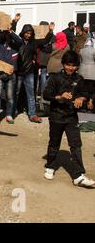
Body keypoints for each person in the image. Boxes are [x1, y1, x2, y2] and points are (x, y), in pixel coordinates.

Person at [42, 51, 94, 188]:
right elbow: (46, 95)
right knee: (54, 142)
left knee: (76, 145)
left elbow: (85, 94)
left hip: (72, 117)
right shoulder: (55, 78)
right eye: (68, 65)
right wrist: (60, 96)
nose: (71, 68)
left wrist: (81, 98)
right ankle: (50, 166)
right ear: (63, 64)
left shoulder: (80, 79)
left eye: (74, 65)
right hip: (56, 116)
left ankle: (78, 175)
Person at [10, 24, 53, 123]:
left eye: (30, 33)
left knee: (31, 94)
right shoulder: (18, 42)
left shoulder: (34, 42)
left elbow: (45, 41)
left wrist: (50, 31)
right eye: (27, 33)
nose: (28, 35)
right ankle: (12, 112)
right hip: (19, 71)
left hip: (29, 71)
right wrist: (13, 25)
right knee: (15, 93)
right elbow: (11, 36)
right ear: (23, 33)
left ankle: (32, 114)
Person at [0, 31, 18, 124]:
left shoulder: (15, 45)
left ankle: (9, 115)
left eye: (8, 34)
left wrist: (11, 31)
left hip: (10, 74)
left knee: (10, 96)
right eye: (5, 33)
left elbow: (19, 41)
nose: (6, 35)